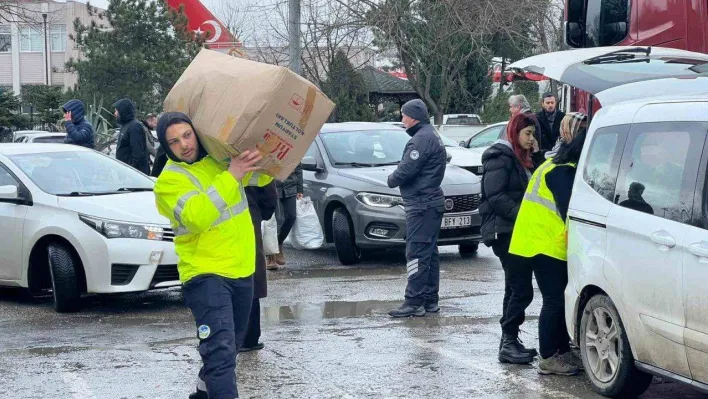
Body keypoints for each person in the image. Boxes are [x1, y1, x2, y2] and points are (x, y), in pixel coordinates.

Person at [153, 112, 272, 399]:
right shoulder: (168, 182)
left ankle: (201, 395)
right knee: (219, 354)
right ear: (166, 147)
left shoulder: (219, 160)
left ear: (196, 132)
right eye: (173, 141)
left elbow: (264, 174)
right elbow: (197, 217)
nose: (183, 144)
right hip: (206, 275)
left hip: (241, 271)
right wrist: (231, 175)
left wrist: (262, 149)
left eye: (186, 135)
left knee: (228, 351)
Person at [508, 119, 588, 376]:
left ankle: (561, 351)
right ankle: (548, 358)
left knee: (557, 299)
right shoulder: (563, 171)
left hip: (532, 241)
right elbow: (569, 213)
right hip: (545, 244)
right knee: (553, 301)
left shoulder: (552, 164)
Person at [479, 112, 539, 364]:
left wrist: (535, 153)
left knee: (513, 288)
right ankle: (509, 341)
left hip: (516, 230)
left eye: (533, 134)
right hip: (504, 231)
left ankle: (509, 340)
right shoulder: (500, 157)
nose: (531, 139)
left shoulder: (521, 157)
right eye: (527, 134)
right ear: (514, 133)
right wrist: (520, 215)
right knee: (523, 290)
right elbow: (495, 195)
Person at [387, 99, 447, 318]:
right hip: (430, 203)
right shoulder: (431, 135)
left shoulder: (420, 140)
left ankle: (413, 301)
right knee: (429, 254)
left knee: (415, 254)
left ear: (413, 117)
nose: (402, 120)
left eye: (404, 115)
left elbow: (405, 171)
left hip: (421, 204)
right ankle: (430, 300)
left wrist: (391, 179)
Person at [242, 180, 278, 353]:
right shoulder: (255, 154)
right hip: (249, 213)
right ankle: (250, 336)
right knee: (250, 271)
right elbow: (269, 197)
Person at [267, 165, 303, 269]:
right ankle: (270, 257)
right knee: (269, 221)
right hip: (271, 185)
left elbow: (298, 166)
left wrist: (299, 188)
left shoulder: (294, 148)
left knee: (291, 217)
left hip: (290, 186)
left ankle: (278, 243)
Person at [114, 98, 150, 174]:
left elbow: (138, 154)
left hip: (134, 174)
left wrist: (130, 171)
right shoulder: (125, 126)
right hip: (126, 172)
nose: (115, 113)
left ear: (123, 111)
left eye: (116, 111)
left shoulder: (134, 126)